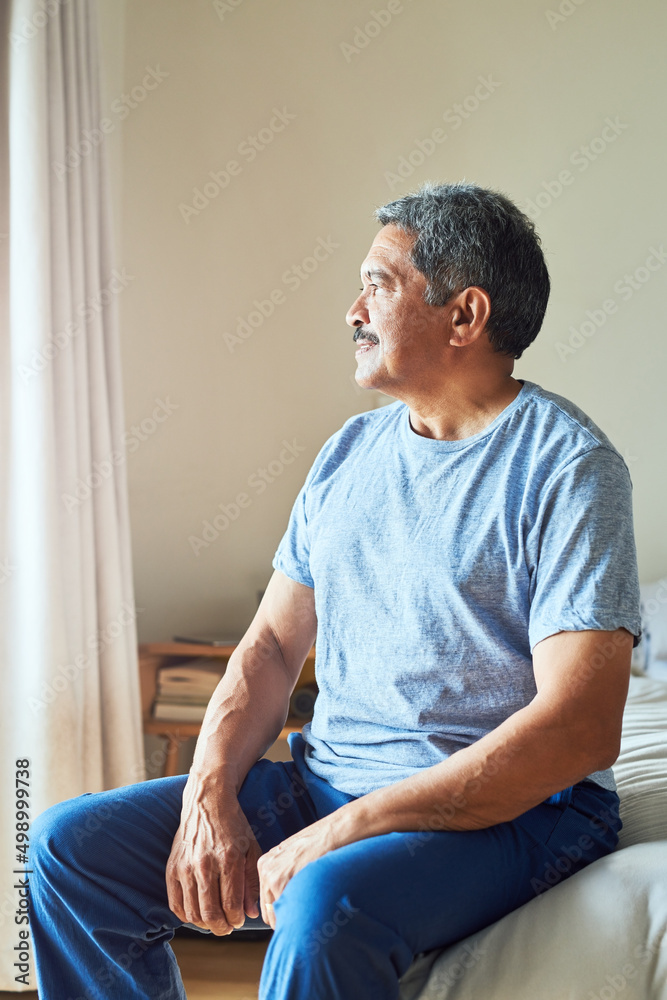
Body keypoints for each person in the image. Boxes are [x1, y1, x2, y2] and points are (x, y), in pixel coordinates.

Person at [30, 182, 642, 1000]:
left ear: (464, 316)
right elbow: (274, 646)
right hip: (328, 776)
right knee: (70, 847)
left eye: (379, 285)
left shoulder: (568, 470)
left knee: (326, 900)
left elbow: (579, 728)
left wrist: (345, 831)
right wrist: (209, 793)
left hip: (517, 815)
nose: (352, 310)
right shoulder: (349, 453)